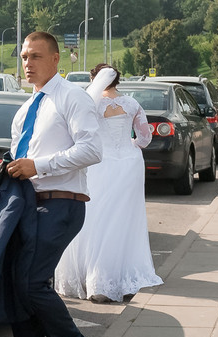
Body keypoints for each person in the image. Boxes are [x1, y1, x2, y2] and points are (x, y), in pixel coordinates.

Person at [0, 30, 102, 337]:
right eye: (23, 57)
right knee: (21, 288)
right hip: (27, 206)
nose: (27, 64)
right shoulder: (25, 110)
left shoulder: (72, 98)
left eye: (35, 56)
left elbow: (92, 149)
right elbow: (13, 168)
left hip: (62, 204)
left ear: (55, 59)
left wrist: (41, 166)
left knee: (32, 284)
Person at [55, 65, 159, 303]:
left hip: (99, 164)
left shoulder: (90, 104)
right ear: (117, 81)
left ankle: (93, 278)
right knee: (124, 220)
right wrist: (130, 145)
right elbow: (145, 137)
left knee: (95, 218)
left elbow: (78, 134)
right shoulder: (132, 104)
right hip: (128, 165)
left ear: (95, 80)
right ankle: (120, 276)